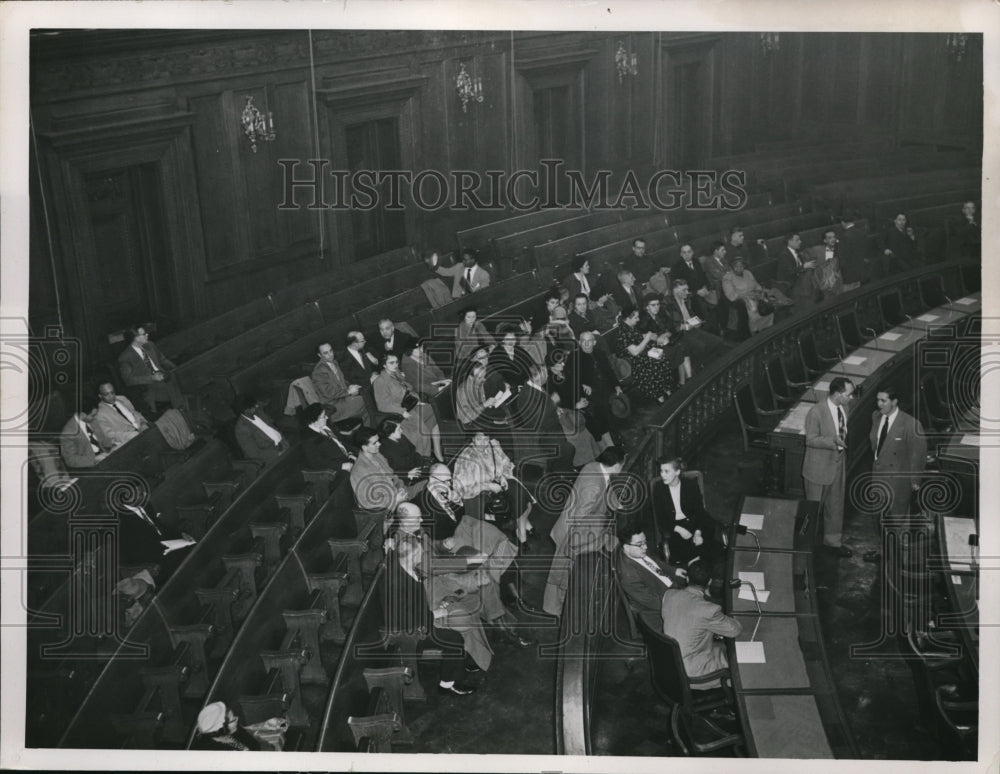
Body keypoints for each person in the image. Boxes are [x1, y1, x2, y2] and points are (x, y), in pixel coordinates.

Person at [542, 446, 625, 616]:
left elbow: (607, 487)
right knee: (563, 574)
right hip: (571, 533)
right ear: (617, 465)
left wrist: (616, 503)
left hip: (569, 526)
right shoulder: (593, 486)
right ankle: (559, 611)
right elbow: (581, 516)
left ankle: (553, 607)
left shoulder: (594, 466)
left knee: (560, 571)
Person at [865, 390, 928, 563]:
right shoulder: (876, 416)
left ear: (894, 401)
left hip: (898, 481)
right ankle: (883, 552)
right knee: (879, 517)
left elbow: (919, 454)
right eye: (878, 400)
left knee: (897, 520)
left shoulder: (910, 424)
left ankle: (899, 559)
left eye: (883, 401)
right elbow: (876, 446)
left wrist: (915, 482)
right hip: (878, 476)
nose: (879, 404)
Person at [661, 562, 742, 688]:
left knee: (723, 647)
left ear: (687, 579)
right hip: (693, 674)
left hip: (669, 665)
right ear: (709, 582)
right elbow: (735, 630)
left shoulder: (668, 595)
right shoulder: (709, 610)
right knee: (741, 665)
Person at [803, 376, 856, 557]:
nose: (851, 398)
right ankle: (805, 544)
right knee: (813, 510)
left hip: (838, 464)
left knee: (835, 506)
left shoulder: (844, 408)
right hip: (818, 469)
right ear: (837, 394)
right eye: (848, 395)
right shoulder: (816, 412)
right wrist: (832, 441)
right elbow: (810, 440)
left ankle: (833, 542)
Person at [452, 431, 534, 545]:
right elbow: (461, 489)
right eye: (479, 439)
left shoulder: (493, 445)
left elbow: (507, 464)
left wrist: (503, 476)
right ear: (473, 439)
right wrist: (487, 486)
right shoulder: (466, 457)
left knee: (521, 495)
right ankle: (479, 541)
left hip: (497, 482)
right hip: (477, 491)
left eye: (486, 439)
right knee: (475, 514)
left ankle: (521, 529)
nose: (483, 443)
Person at [650, 456, 723, 574]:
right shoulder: (659, 489)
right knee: (691, 550)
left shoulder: (690, 485)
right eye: (661, 471)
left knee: (707, 538)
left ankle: (700, 568)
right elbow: (661, 519)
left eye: (667, 471)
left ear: (677, 472)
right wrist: (679, 529)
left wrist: (698, 532)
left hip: (694, 521)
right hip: (674, 526)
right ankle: (697, 569)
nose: (663, 475)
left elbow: (699, 511)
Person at [373, 353, 443, 461]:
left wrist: (414, 399)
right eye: (391, 363)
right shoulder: (380, 381)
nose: (395, 365)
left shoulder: (396, 374)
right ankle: (422, 458)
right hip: (397, 414)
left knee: (433, 411)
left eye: (396, 362)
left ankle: (436, 451)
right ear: (384, 365)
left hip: (409, 406)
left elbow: (408, 388)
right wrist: (401, 411)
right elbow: (382, 405)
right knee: (421, 431)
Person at [507, 363, 575, 473]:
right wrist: (553, 403)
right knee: (568, 449)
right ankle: (563, 474)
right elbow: (536, 419)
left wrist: (555, 409)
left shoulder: (536, 386)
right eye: (546, 374)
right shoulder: (526, 395)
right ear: (538, 376)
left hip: (552, 427)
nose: (548, 376)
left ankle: (566, 468)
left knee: (577, 434)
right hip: (542, 434)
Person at [616, 525, 687, 629]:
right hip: (659, 606)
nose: (645, 547)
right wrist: (679, 603)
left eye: (645, 542)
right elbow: (653, 602)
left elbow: (654, 561)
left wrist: (673, 570)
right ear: (626, 547)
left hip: (669, 588)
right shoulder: (629, 577)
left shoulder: (637, 552)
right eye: (640, 544)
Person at [567, 331, 623, 445]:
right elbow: (570, 378)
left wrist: (617, 385)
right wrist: (582, 385)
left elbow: (609, 371)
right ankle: (613, 439)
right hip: (589, 392)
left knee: (615, 407)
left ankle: (614, 435)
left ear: (594, 342)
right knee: (602, 410)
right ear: (579, 342)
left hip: (605, 387)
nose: (586, 344)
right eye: (583, 341)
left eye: (589, 341)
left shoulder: (600, 353)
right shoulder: (573, 357)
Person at [349, 426, 424, 511]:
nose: (379, 444)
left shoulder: (378, 456)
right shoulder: (358, 471)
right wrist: (394, 500)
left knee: (428, 483)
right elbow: (366, 502)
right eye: (374, 443)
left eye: (378, 441)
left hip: (401, 494)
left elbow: (393, 476)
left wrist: (401, 487)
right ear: (364, 447)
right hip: (388, 508)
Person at [614, 304, 675, 403]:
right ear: (628, 318)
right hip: (636, 361)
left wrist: (646, 335)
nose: (638, 320)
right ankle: (659, 396)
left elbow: (636, 337)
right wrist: (647, 338)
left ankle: (667, 390)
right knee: (655, 363)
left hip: (644, 354)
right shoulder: (623, 332)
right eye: (635, 318)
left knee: (662, 356)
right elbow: (635, 352)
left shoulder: (630, 326)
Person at [117, 325, 184, 413]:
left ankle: (181, 409)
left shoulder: (150, 345)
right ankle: (180, 410)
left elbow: (162, 360)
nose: (147, 334)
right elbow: (128, 380)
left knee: (180, 376)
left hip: (163, 376)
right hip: (149, 386)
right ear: (135, 338)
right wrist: (151, 378)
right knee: (173, 384)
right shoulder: (125, 357)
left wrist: (177, 368)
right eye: (144, 334)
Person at [638, 293, 692, 386]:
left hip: (668, 341)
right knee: (680, 349)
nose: (657, 307)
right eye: (653, 305)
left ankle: (688, 380)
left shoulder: (661, 314)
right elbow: (646, 339)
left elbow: (672, 329)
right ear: (647, 307)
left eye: (658, 304)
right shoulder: (643, 321)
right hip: (653, 348)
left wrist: (665, 334)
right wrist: (660, 338)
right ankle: (683, 382)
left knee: (683, 346)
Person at [311, 341, 368, 422]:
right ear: (319, 355)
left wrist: (350, 386)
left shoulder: (334, 363)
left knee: (364, 394)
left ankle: (365, 423)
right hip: (332, 406)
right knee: (364, 400)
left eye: (331, 351)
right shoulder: (318, 372)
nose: (330, 354)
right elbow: (328, 394)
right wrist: (348, 392)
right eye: (326, 353)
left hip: (341, 398)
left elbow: (342, 380)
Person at [721, 256, 776, 340]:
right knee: (753, 309)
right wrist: (747, 296)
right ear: (732, 267)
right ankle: (755, 333)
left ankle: (768, 330)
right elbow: (731, 295)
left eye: (741, 265)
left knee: (768, 303)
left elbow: (756, 284)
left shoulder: (747, 273)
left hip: (756, 296)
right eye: (736, 266)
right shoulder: (727, 278)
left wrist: (758, 291)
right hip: (744, 300)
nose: (739, 268)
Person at [299, 403, 355, 471]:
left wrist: (350, 453)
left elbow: (341, 441)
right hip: (337, 467)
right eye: (323, 416)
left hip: (348, 456)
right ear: (314, 421)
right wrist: (341, 466)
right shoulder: (308, 439)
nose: (327, 417)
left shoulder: (325, 424)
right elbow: (316, 463)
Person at [234, 394, 289, 463]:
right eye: (254, 406)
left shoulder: (258, 412)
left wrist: (283, 441)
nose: (257, 406)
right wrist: (278, 453)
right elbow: (254, 453)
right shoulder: (241, 429)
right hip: (269, 458)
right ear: (247, 411)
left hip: (282, 445)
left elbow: (273, 427)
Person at [92, 382, 150, 448]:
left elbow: (136, 413)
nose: (111, 396)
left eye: (112, 392)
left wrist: (143, 423)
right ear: (100, 396)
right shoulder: (99, 413)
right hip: (130, 439)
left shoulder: (122, 398)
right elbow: (109, 435)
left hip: (144, 429)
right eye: (106, 394)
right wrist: (133, 434)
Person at [60, 398, 112, 468]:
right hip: (90, 466)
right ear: (82, 414)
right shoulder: (68, 433)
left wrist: (115, 444)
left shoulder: (92, 421)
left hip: (105, 456)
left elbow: (104, 441)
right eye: (93, 415)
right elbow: (70, 460)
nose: (95, 417)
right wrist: (94, 459)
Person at [192, 701, 261, 750]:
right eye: (233, 720)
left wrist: (236, 731)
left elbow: (256, 746)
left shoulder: (230, 731)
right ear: (221, 727)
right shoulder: (214, 749)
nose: (236, 719)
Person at [775, 233, 818, 311]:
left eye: (800, 240)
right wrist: (804, 266)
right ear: (789, 241)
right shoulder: (784, 254)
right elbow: (789, 271)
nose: (800, 242)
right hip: (789, 284)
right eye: (797, 240)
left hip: (799, 281)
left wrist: (805, 266)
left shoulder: (796, 252)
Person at [671, 244, 713, 322]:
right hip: (690, 295)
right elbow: (677, 287)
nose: (687, 254)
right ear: (681, 254)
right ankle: (706, 324)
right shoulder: (677, 267)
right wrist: (696, 292)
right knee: (701, 306)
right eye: (684, 252)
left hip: (703, 290)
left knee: (717, 300)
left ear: (692, 252)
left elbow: (703, 276)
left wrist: (706, 287)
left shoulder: (696, 262)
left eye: (689, 252)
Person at [378, 417, 426, 485]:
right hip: (405, 478)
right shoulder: (385, 449)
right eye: (399, 429)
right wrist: (407, 474)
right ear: (390, 433)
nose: (401, 430)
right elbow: (391, 471)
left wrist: (420, 463)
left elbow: (413, 451)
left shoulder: (401, 437)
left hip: (415, 467)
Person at [805, 229, 845, 301]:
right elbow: (812, 269)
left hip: (838, 283)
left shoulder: (841, 249)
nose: (833, 239)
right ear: (825, 240)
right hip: (821, 284)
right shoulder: (816, 250)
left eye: (834, 237)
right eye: (830, 238)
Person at [701, 242, 731, 335]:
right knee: (725, 303)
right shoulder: (709, 261)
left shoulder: (723, 259)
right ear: (715, 251)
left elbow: (730, 271)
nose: (725, 252)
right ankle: (723, 327)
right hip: (716, 289)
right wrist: (727, 274)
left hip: (726, 285)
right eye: (722, 250)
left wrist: (727, 274)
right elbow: (718, 276)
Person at [836, 211, 869, 289]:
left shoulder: (844, 236)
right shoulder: (861, 232)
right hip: (860, 270)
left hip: (849, 274)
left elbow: (842, 257)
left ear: (843, 223)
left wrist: (838, 269)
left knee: (848, 293)